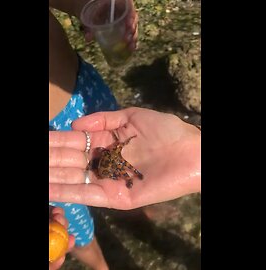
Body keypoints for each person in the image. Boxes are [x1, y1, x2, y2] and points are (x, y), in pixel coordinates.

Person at [48, 0, 138, 269]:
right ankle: (100, 265)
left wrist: (87, 5)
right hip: (55, 161)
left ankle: (140, 210)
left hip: (80, 88)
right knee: (71, 230)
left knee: (132, 175)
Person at [49, 107, 201, 210]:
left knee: (122, 165)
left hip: (107, 167)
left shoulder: (112, 156)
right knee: (123, 165)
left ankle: (128, 179)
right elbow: (118, 148)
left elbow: (116, 148)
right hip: (108, 167)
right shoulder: (115, 158)